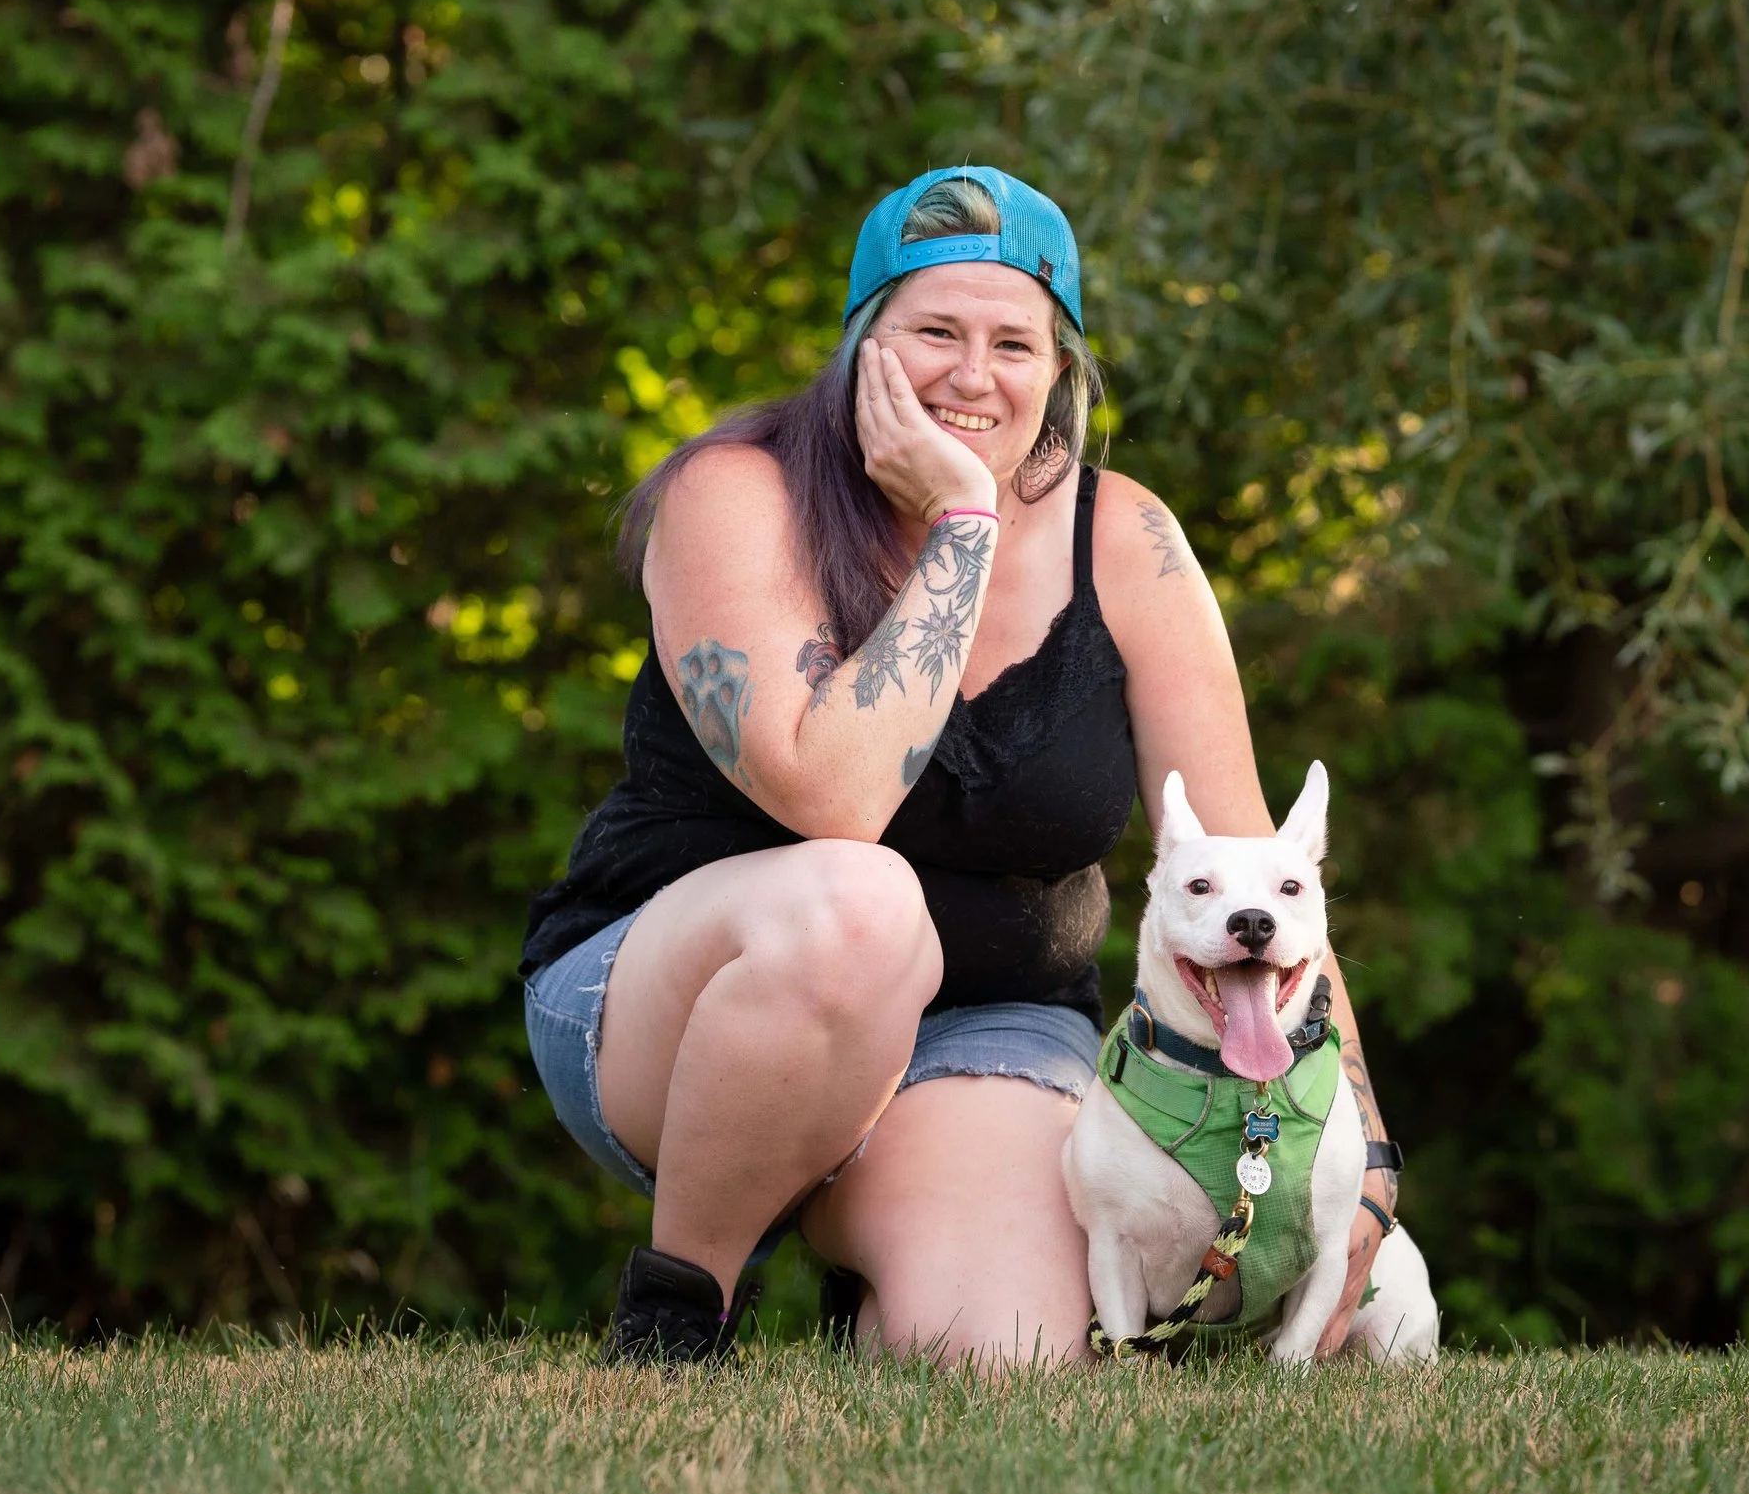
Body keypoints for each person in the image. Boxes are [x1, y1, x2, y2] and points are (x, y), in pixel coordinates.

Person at [517, 166, 1404, 1364]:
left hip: (984, 1028)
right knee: (859, 902)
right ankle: (683, 1309)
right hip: (681, 1016)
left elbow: (1260, 863)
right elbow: (836, 799)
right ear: (862, 345)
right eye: (935, 331)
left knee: (1012, 1354)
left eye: (1014, 344)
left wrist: (1365, 1151)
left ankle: (881, 1273)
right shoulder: (734, 495)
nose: (973, 375)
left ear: (1061, 370)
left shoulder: (1125, 539)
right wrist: (964, 525)